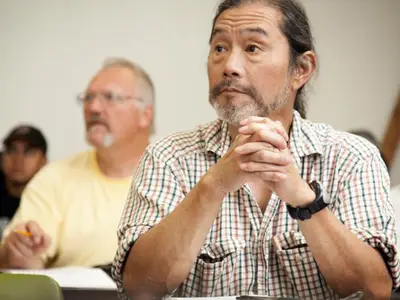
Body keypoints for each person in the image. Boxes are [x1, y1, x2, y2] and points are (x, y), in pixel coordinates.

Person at [112, 1, 399, 299]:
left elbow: (375, 290)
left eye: (252, 48)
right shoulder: (168, 157)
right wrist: (214, 184)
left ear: (301, 69)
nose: (230, 67)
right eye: (220, 48)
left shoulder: (352, 157)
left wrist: (303, 198)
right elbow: (139, 288)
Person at [0, 57, 155, 269]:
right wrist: (19, 251)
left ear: (145, 115)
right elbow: (19, 269)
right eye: (88, 97)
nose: (93, 107)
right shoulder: (53, 178)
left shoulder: (179, 176)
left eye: (110, 97)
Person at [0, 125, 47, 234]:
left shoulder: (51, 202)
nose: (18, 160)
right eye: (12, 150)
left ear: (43, 161)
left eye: (28, 152)